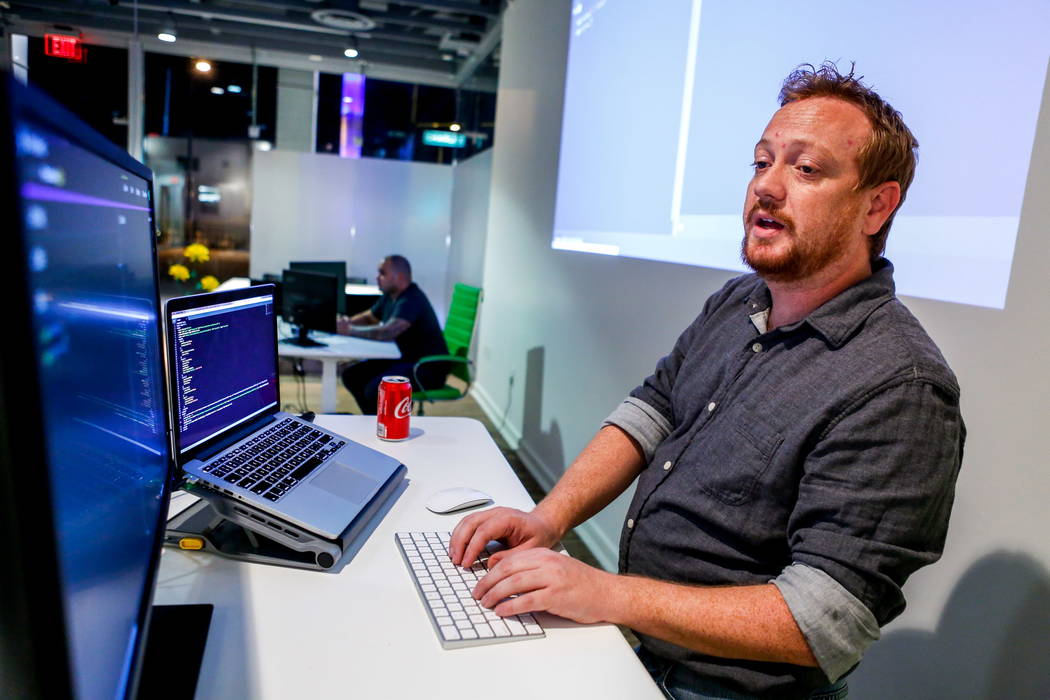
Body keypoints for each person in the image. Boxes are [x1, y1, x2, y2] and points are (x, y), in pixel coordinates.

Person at [449, 63, 965, 699]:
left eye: (806, 169)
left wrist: (608, 594)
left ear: (876, 206)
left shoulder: (902, 386)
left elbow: (825, 618)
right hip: (646, 650)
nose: (766, 187)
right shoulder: (738, 301)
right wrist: (548, 519)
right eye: (761, 162)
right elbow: (653, 411)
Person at [339, 255, 449, 414]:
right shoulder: (390, 295)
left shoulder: (411, 299)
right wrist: (347, 322)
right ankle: (374, 419)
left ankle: (388, 424)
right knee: (352, 376)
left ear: (400, 277)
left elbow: (388, 332)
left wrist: (349, 331)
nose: (377, 277)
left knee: (375, 389)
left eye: (382, 273)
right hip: (403, 359)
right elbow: (369, 317)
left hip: (426, 368)